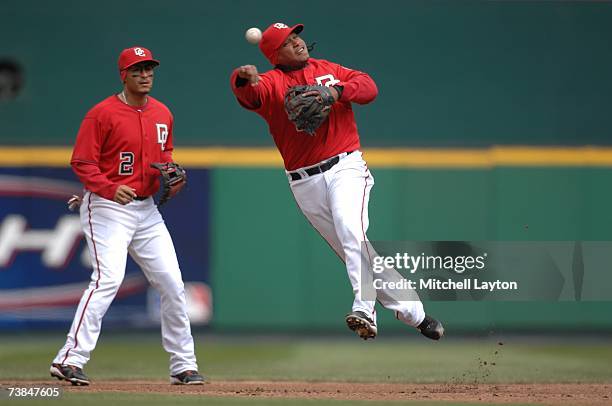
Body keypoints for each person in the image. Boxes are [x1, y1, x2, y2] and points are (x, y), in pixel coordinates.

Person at [230, 23, 444, 341]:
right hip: (304, 183)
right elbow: (250, 95)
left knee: (350, 229)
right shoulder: (271, 83)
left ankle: (364, 310)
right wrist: (242, 79)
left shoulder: (329, 69)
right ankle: (417, 315)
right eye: (288, 42)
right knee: (357, 251)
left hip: (346, 166)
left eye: (297, 36)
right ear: (276, 54)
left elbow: (368, 87)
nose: (298, 43)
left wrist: (336, 91)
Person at [50, 46, 205, 385]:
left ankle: (183, 365)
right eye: (137, 70)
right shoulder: (101, 114)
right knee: (107, 280)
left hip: (146, 210)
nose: (145, 75)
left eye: (149, 69)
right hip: (107, 208)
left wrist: (170, 173)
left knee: (173, 285)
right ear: (124, 75)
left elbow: (165, 156)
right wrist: (106, 188)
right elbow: (82, 162)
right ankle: (68, 359)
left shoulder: (163, 113)